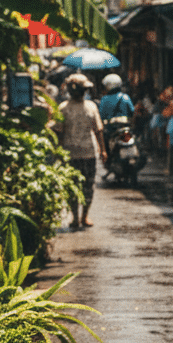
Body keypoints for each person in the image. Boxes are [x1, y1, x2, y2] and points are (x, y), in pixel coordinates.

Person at [56, 73, 107, 228]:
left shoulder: (87, 106)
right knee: (77, 186)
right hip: (76, 154)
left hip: (84, 153)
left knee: (84, 186)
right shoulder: (65, 108)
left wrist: (103, 150)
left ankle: (82, 216)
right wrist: (102, 150)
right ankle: (77, 217)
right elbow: (59, 132)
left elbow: (98, 130)